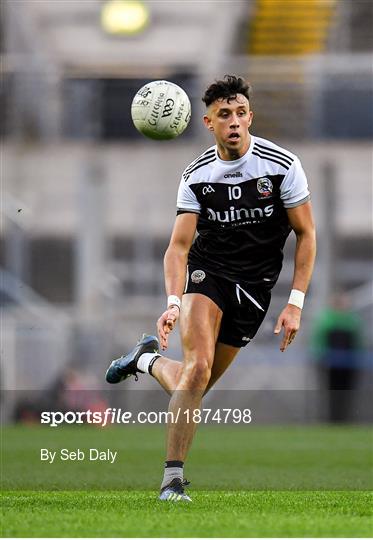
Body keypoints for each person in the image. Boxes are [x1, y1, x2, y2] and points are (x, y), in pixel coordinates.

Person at [106, 75, 316, 501]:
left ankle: (145, 360)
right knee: (197, 368)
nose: (234, 122)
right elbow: (178, 247)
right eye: (225, 115)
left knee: (192, 384)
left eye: (241, 113)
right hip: (209, 275)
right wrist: (171, 302)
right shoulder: (197, 175)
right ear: (208, 122)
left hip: (256, 287)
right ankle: (172, 482)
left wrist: (294, 304)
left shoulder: (282, 165)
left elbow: (306, 235)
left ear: (251, 117)